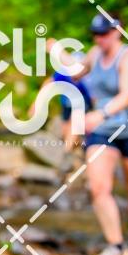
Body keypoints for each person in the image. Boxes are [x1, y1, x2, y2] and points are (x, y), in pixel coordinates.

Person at [74, 13, 128, 255]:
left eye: (104, 34)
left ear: (117, 31)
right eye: (95, 34)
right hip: (103, 131)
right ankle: (116, 245)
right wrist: (55, 52)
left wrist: (101, 113)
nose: (99, 39)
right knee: (98, 187)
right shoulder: (94, 54)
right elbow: (76, 72)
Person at [32, 38, 93, 172]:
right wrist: (35, 105)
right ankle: (75, 151)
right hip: (67, 104)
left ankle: (67, 154)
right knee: (67, 129)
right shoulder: (62, 73)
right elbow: (48, 83)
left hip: (81, 104)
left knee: (74, 124)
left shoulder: (87, 76)